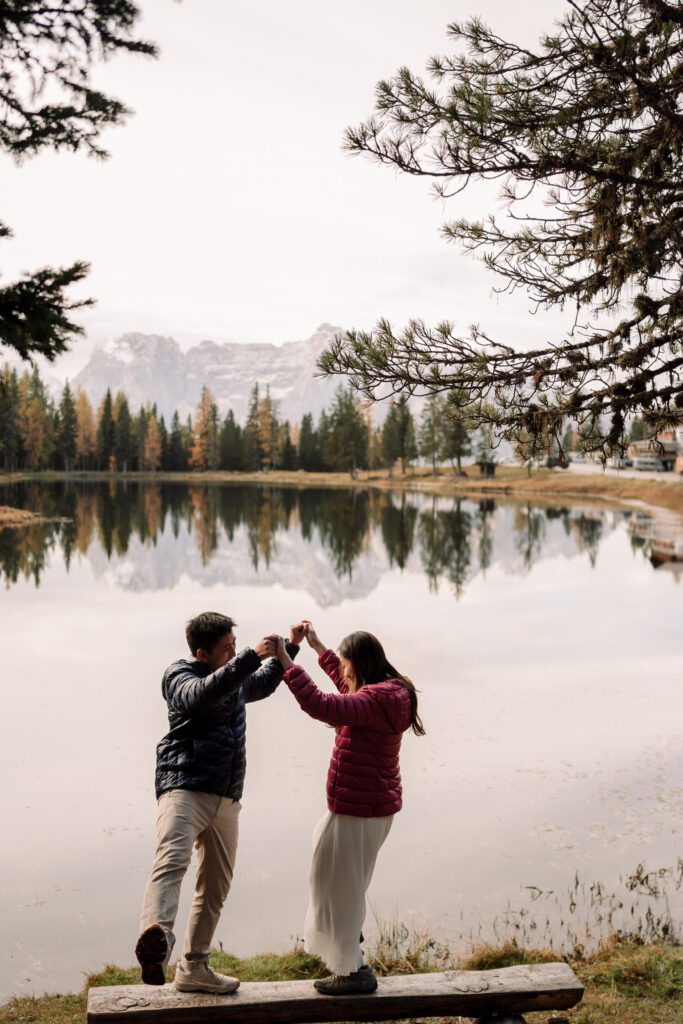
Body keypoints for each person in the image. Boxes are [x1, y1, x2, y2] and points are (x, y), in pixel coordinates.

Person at [135, 611, 305, 994]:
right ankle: (156, 941)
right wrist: (248, 656)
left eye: (234, 646)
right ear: (202, 653)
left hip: (227, 796)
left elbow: (259, 684)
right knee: (171, 862)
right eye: (226, 649)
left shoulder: (233, 676)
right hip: (185, 787)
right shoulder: (179, 676)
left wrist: (288, 648)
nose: (232, 654)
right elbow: (203, 695)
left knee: (215, 887)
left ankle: (194, 968)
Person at [275, 621, 425, 995]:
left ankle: (354, 972)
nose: (341, 671)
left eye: (344, 663)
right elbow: (347, 690)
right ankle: (349, 948)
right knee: (333, 878)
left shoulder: (374, 701)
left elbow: (322, 703)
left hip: (359, 808)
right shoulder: (390, 693)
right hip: (369, 806)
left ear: (358, 664)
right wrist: (316, 646)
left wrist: (284, 661)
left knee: (339, 886)